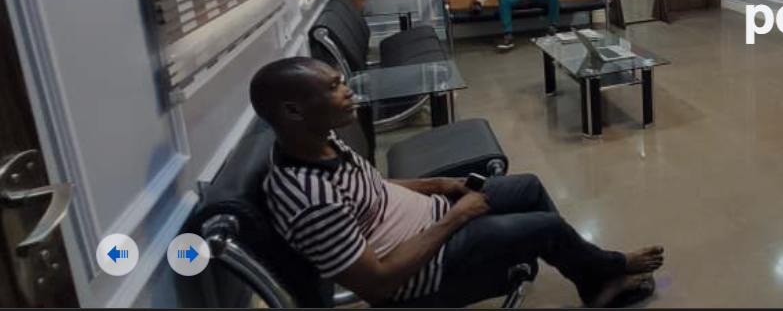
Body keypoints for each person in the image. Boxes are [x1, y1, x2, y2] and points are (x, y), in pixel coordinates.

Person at [250, 58, 665, 308]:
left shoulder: (321, 140)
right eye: (333, 87)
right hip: (423, 267)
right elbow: (376, 284)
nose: (348, 92)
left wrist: (439, 185)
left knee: (529, 186)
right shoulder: (309, 200)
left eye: (341, 81)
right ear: (293, 111)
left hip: (431, 219)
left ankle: (590, 276)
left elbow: (376, 189)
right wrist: (456, 218)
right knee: (547, 226)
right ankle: (605, 269)